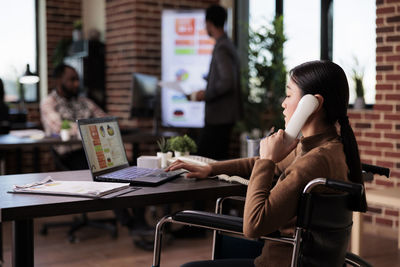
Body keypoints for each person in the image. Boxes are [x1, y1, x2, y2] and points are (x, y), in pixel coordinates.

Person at [167, 60, 367, 267]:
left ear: (312, 104)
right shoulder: (327, 148)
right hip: (295, 255)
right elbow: (261, 163)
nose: (283, 103)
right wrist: (211, 168)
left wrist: (268, 159)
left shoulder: (314, 161)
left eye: (289, 95)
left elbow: (253, 226)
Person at [40, 63, 151, 248]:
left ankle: (140, 221)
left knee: (135, 170)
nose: (76, 84)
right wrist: (90, 127)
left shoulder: (84, 101)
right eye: (71, 80)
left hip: (95, 150)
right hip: (70, 154)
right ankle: (131, 225)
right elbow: (60, 127)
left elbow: (105, 119)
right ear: (59, 81)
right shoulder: (49, 102)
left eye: (77, 79)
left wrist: (109, 125)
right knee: (107, 175)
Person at [190, 4, 242, 160]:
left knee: (204, 160)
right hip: (225, 116)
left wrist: (205, 94)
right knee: (216, 160)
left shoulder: (221, 48)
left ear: (209, 23)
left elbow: (227, 82)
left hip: (219, 116)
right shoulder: (228, 44)